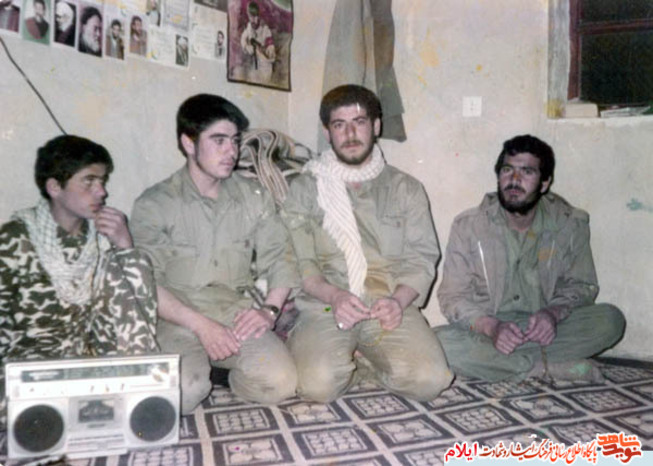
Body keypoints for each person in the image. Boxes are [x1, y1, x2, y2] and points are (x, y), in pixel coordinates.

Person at [281, 85, 452, 403]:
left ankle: (363, 360)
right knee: (317, 386)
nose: (350, 134)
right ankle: (336, 355)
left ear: (376, 126)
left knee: (430, 380)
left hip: (388, 304)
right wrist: (334, 297)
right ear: (327, 132)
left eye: (359, 122)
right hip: (326, 305)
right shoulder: (306, 189)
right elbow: (301, 262)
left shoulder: (406, 189)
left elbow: (421, 258)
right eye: (339, 124)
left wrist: (398, 302)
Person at [131, 94, 299, 414]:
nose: (231, 151)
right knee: (184, 392)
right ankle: (200, 369)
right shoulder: (155, 204)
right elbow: (147, 284)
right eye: (218, 140)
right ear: (189, 143)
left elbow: (282, 256)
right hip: (177, 316)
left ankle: (222, 373)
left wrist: (268, 311)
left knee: (280, 382)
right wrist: (202, 327)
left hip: (232, 312)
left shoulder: (253, 196)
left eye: (234, 141)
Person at [436, 134, 626, 383]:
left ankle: (502, 364)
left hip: (545, 329)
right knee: (437, 343)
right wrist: (491, 327)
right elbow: (452, 296)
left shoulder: (569, 223)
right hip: (488, 328)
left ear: (545, 183)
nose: (514, 180)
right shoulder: (469, 226)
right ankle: (544, 368)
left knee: (611, 321)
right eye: (507, 170)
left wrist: (552, 315)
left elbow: (582, 286)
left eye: (527, 172)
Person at [0, 135, 158, 426]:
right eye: (89, 181)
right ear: (54, 187)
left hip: (88, 355)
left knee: (133, 262)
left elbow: (134, 313)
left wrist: (125, 245)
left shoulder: (102, 236)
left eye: (103, 181)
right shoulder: (15, 239)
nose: (102, 192)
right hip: (29, 366)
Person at [239, 1, 275, 82]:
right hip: (254, 65)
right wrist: (246, 46)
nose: (253, 19)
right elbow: (243, 38)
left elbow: (269, 41)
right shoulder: (249, 27)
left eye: (254, 16)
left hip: (265, 66)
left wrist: (270, 47)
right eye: (250, 16)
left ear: (258, 16)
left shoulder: (264, 28)